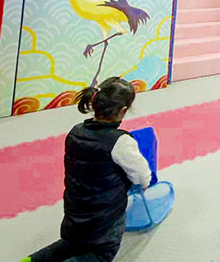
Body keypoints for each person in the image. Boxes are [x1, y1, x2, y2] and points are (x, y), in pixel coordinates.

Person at [22, 77, 151, 262]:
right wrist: (145, 183)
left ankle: (32, 260)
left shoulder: (75, 132)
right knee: (101, 254)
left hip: (74, 212)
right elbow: (140, 173)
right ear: (123, 111)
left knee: (71, 245)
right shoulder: (121, 142)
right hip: (104, 219)